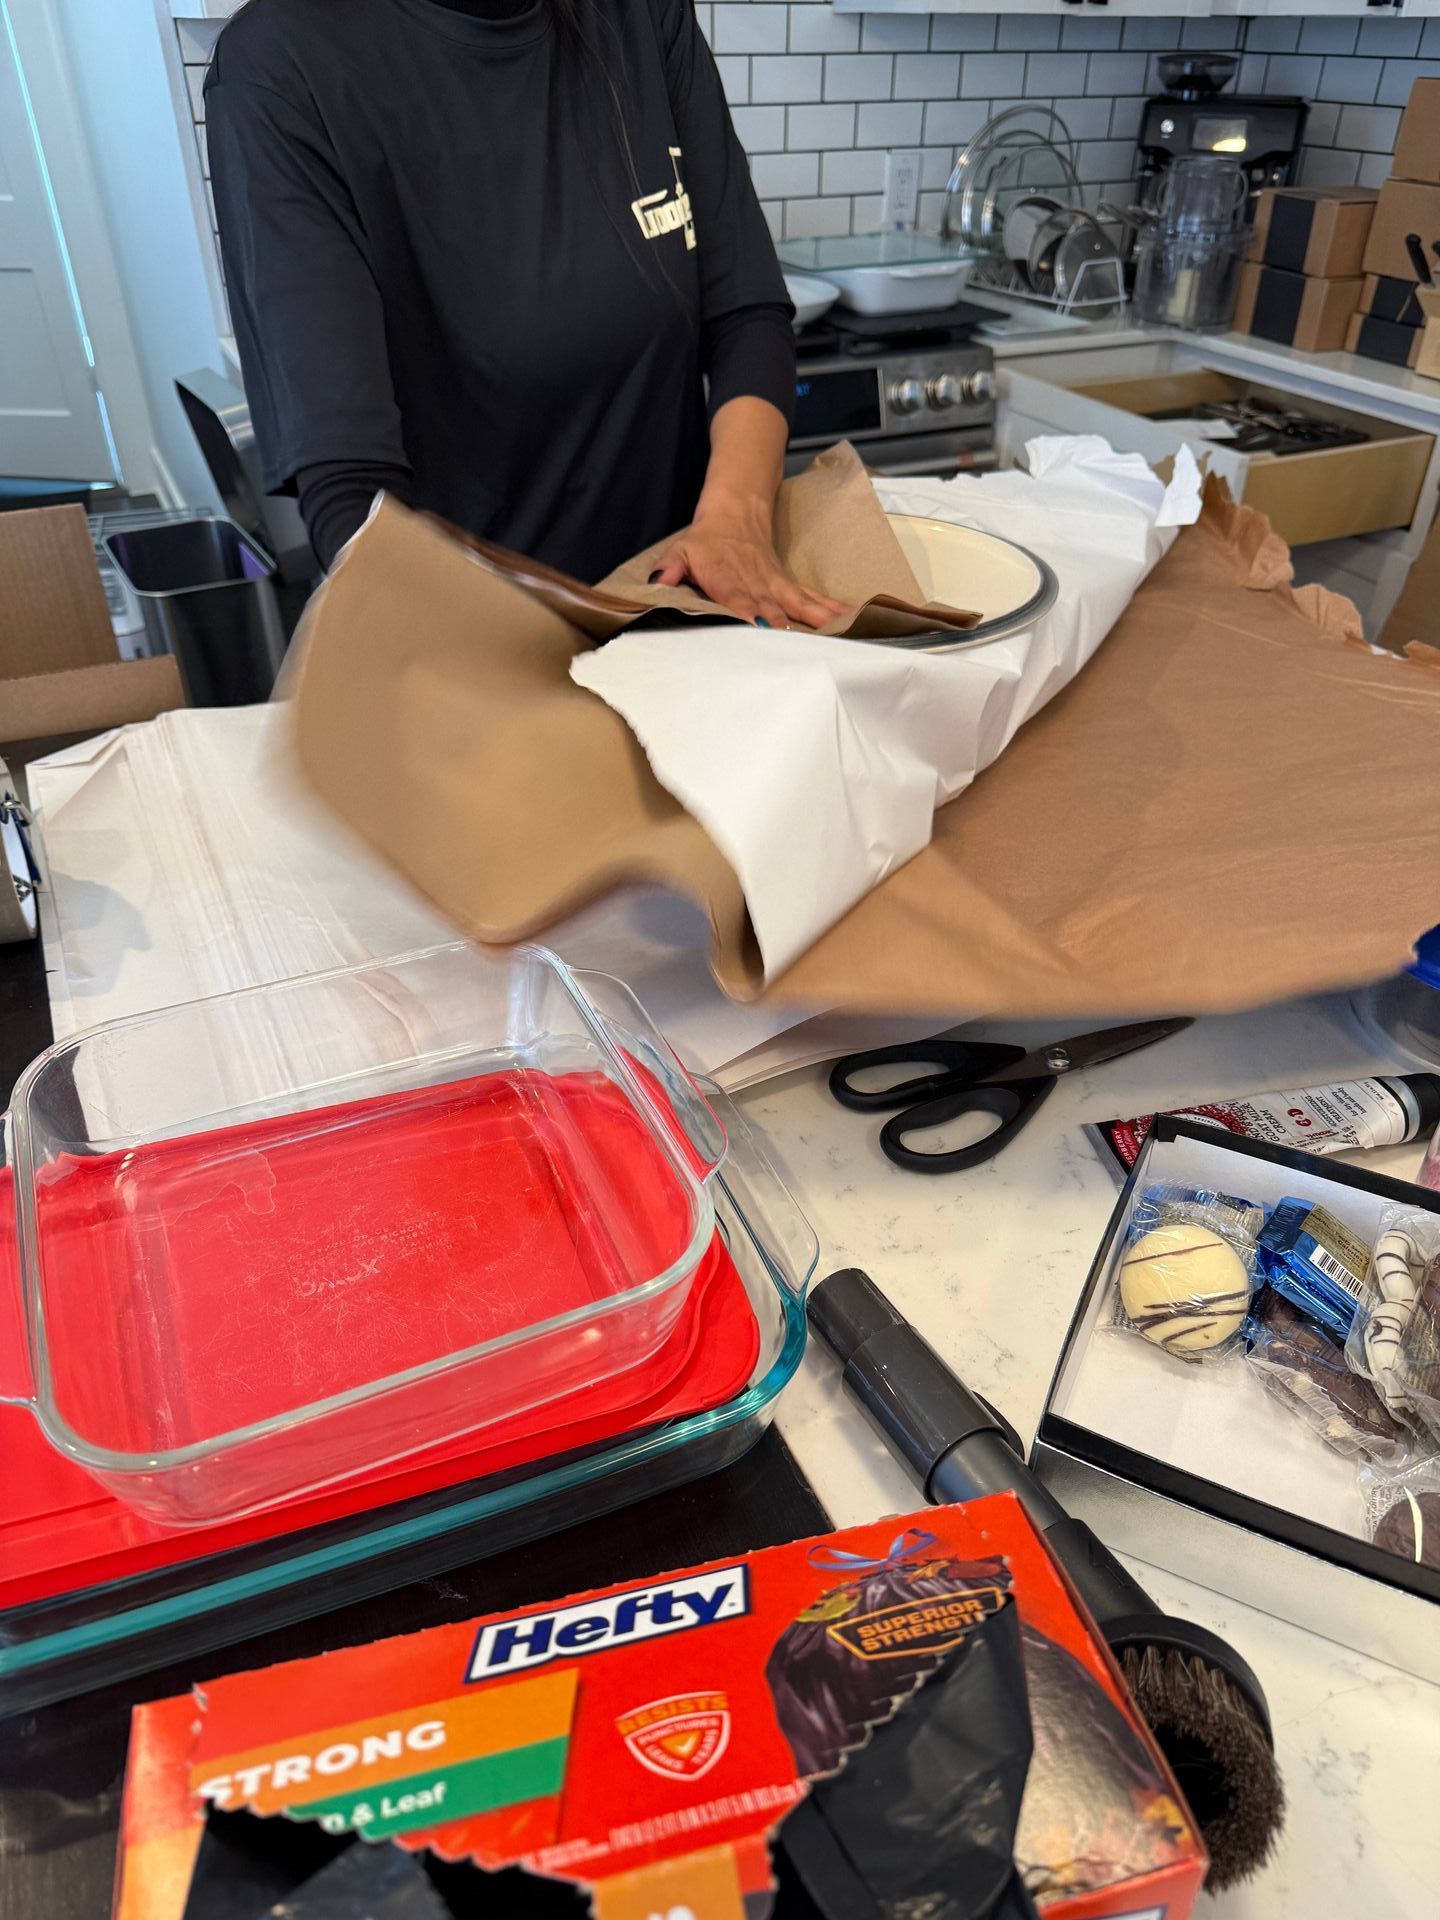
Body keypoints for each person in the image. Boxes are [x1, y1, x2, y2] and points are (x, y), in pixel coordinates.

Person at [205, 0, 844, 628]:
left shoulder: (643, 18)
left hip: (681, 608)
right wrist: (520, 667)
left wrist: (734, 521)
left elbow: (745, 311)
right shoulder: (282, 65)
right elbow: (352, 496)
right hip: (475, 638)